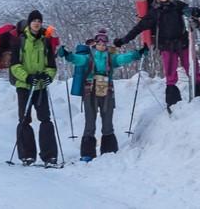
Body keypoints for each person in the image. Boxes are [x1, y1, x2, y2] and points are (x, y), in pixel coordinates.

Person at [113, 0, 200, 108]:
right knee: (171, 76)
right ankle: (173, 104)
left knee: (193, 71)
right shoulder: (154, 12)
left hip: (183, 44)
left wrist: (194, 12)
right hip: (167, 47)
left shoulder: (177, 5)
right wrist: (123, 40)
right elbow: (138, 28)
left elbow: (188, 10)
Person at [58, 29, 144, 161]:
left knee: (107, 121)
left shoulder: (111, 57)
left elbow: (123, 58)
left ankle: (109, 152)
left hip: (107, 91)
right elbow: (77, 59)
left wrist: (137, 54)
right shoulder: (88, 57)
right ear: (95, 44)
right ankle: (87, 153)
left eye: (104, 43)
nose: (102, 45)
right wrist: (68, 55)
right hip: (90, 91)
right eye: (99, 43)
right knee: (90, 122)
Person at [9, 9, 58, 165]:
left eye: (39, 21)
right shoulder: (19, 41)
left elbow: (51, 65)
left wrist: (48, 76)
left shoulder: (46, 41)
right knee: (24, 119)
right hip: (24, 85)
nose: (37, 23)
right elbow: (14, 65)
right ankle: (27, 155)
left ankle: (49, 155)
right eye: (34, 21)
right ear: (29, 23)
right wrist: (27, 77)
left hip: (40, 86)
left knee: (45, 119)